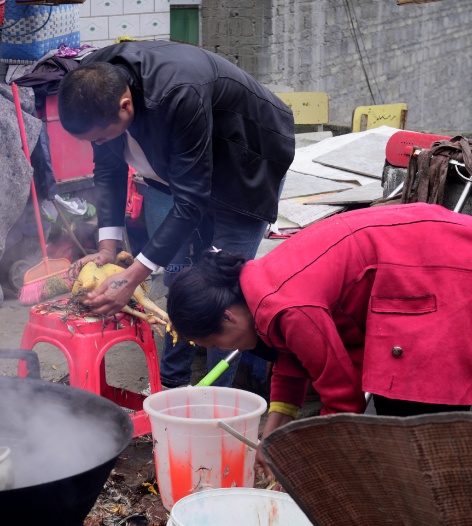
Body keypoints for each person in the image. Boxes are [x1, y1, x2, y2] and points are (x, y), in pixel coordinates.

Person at [166, 203, 472, 471]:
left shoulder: (288, 307)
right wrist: (272, 436)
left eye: (214, 343)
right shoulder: (259, 286)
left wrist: (305, 466)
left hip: (449, 266)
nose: (221, 350)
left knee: (419, 425)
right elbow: (292, 359)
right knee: (397, 423)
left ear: (228, 316)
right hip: (421, 253)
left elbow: (343, 398)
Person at [57, 41, 295, 389]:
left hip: (245, 160)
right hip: (183, 168)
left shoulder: (178, 93)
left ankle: (215, 400)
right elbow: (107, 171)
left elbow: (191, 201)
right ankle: (171, 385)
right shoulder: (94, 83)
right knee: (178, 277)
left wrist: (133, 276)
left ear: (125, 105)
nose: (102, 142)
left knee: (219, 292)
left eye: (105, 135)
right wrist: (108, 249)